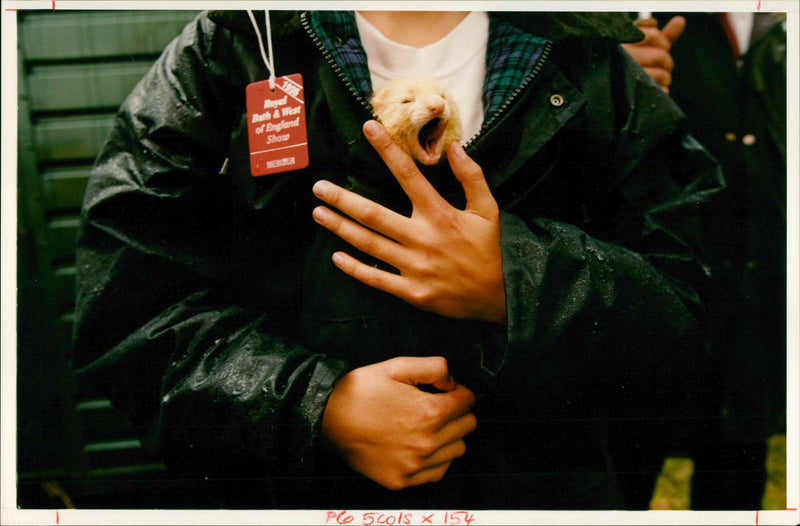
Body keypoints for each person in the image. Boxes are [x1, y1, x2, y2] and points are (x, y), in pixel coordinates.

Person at [73, 10, 723, 509]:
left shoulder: (592, 59)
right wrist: (314, 404)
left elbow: (694, 306)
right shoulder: (229, 48)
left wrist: (516, 280)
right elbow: (129, 312)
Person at [622, 12, 787, 510]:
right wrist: (611, 73)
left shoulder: (777, 24)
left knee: (738, 467)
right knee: (624, 468)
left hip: (756, 287)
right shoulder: (638, 17)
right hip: (652, 289)